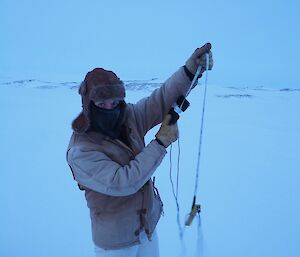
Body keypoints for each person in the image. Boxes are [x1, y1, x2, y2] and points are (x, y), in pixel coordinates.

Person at [66, 43, 213, 257]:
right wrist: (160, 143)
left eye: (115, 102)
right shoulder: (81, 150)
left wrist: (189, 70)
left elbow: (161, 99)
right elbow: (123, 182)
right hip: (116, 245)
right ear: (88, 104)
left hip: (147, 229)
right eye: (102, 103)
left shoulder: (129, 118)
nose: (111, 108)